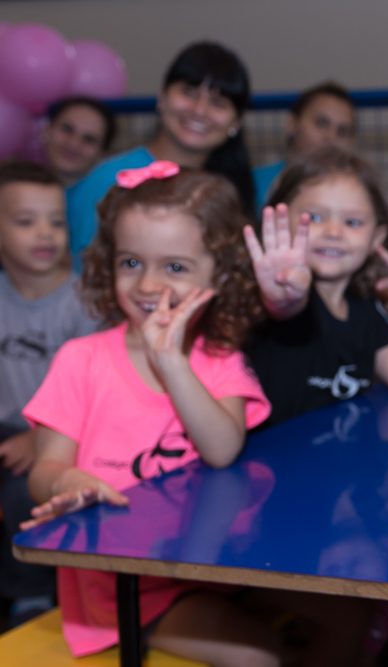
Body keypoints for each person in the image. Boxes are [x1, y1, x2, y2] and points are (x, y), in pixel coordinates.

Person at [21, 165, 281, 663]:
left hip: (215, 565)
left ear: (219, 274)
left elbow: (222, 448)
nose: (148, 284)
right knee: (259, 654)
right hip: (127, 589)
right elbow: (44, 471)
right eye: (131, 262)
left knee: (346, 613)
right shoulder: (82, 359)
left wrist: (171, 361)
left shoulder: (220, 357)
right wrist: (65, 482)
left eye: (175, 268)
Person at [243, 147, 388, 429]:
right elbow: (285, 305)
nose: (334, 232)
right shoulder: (287, 298)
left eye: (352, 222)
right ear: (279, 222)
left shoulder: (362, 306)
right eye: (313, 218)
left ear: (377, 237)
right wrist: (282, 295)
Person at [0, 161, 97, 626]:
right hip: (5, 427)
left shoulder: (81, 303)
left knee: (26, 490)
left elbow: (93, 391)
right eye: (25, 221)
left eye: (56, 221)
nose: (45, 232)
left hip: (59, 431)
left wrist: (36, 437)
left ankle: (32, 594)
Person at [66, 41, 256, 267]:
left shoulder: (233, 189)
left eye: (218, 102)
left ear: (237, 121)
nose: (199, 110)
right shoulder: (112, 178)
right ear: (161, 96)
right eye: (189, 92)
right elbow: (85, 274)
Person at [253, 81, 357, 213]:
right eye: (321, 123)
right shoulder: (251, 184)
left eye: (342, 131)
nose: (331, 137)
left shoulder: (357, 193)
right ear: (292, 124)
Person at [43, 97, 117, 188]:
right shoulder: (22, 186)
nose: (73, 143)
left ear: (102, 155)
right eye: (67, 129)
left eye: (89, 139)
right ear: (48, 129)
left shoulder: (110, 199)